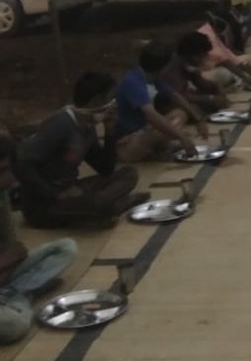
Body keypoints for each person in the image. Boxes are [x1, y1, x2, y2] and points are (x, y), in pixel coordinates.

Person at [13, 73, 144, 229]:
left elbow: (105, 168)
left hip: (73, 189)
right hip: (46, 204)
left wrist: (109, 133)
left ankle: (103, 208)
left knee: (129, 174)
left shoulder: (87, 126)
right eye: (111, 98)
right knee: (100, 203)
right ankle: (113, 206)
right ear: (97, 100)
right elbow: (22, 164)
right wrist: (55, 194)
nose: (114, 104)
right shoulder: (61, 124)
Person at [0, 137, 77, 344]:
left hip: (4, 275)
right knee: (15, 325)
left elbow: (16, 249)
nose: (11, 178)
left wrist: (8, 262)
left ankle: (16, 294)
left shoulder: (2, 196)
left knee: (66, 248)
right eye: (2, 171)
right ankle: (21, 297)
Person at [113, 43, 202, 164]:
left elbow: (174, 95)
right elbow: (151, 116)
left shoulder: (153, 78)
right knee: (159, 129)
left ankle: (158, 147)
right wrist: (181, 137)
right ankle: (151, 150)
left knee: (179, 114)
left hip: (145, 129)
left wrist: (198, 119)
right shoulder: (133, 82)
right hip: (129, 140)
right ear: (163, 66)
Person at [161, 32, 229, 114]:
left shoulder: (188, 64)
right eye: (203, 55)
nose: (204, 58)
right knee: (194, 108)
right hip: (168, 101)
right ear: (193, 54)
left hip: (184, 95)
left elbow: (200, 82)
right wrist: (210, 98)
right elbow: (180, 95)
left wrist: (216, 86)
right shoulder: (173, 66)